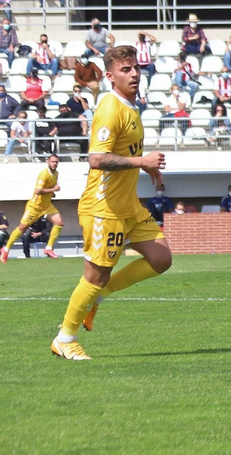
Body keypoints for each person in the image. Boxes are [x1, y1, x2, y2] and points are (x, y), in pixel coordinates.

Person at [51, 46, 170, 361]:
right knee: (95, 275)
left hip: (127, 205)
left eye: (135, 68)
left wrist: (146, 166)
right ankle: (65, 337)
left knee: (161, 259)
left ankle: (99, 297)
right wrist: (141, 160)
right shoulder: (110, 107)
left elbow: (122, 151)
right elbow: (97, 158)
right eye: (125, 69)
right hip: (104, 206)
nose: (133, 74)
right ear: (110, 75)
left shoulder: (131, 106)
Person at [1, 154, 64, 262]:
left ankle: (48, 248)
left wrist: (51, 193)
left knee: (59, 222)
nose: (54, 164)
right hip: (34, 207)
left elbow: (47, 189)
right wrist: (54, 189)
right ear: (48, 162)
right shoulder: (44, 174)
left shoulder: (56, 174)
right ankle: (6, 250)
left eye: (56, 162)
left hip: (46, 205)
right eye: (53, 161)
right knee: (22, 229)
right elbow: (38, 191)